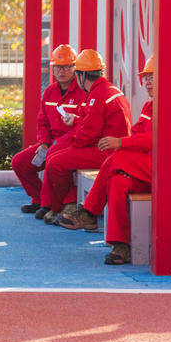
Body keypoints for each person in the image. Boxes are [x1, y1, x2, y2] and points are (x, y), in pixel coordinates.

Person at [58, 56, 154, 264]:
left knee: (115, 159)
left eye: (152, 77)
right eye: (146, 78)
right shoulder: (149, 107)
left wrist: (120, 142)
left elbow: (155, 139)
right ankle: (120, 246)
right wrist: (123, 142)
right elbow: (137, 134)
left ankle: (89, 211)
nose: (147, 83)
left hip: (161, 168)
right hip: (146, 167)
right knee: (117, 180)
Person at [39, 49, 131, 226]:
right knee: (57, 156)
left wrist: (72, 143)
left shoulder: (97, 95)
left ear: (81, 75)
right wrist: (77, 121)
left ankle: (60, 207)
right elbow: (95, 122)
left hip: (105, 153)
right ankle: (65, 204)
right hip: (111, 149)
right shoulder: (107, 90)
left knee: (56, 162)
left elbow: (87, 134)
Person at [11, 45, 86, 216]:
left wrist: (54, 145)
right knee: (20, 162)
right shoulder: (50, 92)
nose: (62, 71)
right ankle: (37, 199)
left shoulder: (83, 93)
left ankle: (49, 204)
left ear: (75, 68)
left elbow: (84, 125)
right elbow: (42, 121)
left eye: (67, 67)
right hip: (50, 142)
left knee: (53, 158)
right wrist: (44, 143)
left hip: (70, 144)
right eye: (58, 67)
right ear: (53, 69)